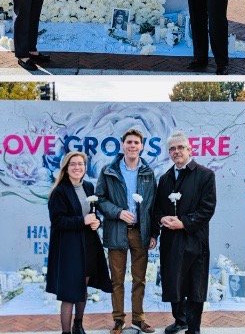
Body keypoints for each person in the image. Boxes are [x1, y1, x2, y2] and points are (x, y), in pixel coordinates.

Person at [152, 131, 217, 334]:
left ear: (190, 149)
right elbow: (157, 208)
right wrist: (161, 220)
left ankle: (194, 327)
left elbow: (207, 208)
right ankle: (180, 320)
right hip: (171, 240)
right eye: (172, 148)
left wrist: (184, 223)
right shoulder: (165, 178)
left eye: (180, 147)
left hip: (194, 239)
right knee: (174, 281)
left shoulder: (205, 175)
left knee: (194, 284)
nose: (176, 151)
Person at [95, 129, 157, 334]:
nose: (132, 146)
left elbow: (153, 206)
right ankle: (118, 320)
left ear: (141, 146)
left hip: (141, 232)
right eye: (129, 142)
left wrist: (153, 233)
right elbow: (100, 200)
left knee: (139, 278)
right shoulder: (108, 171)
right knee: (117, 279)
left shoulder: (148, 172)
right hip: (117, 231)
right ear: (122, 145)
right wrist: (118, 212)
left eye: (136, 142)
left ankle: (139, 319)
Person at [45, 151, 112, 334]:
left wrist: (97, 222)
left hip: (88, 245)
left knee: (82, 287)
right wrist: (82, 221)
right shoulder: (59, 191)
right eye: (73, 164)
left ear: (85, 167)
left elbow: (93, 214)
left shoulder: (89, 187)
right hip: (69, 248)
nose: (77, 167)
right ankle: (66, 332)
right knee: (69, 293)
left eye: (80, 164)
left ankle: (78, 324)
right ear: (66, 168)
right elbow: (58, 221)